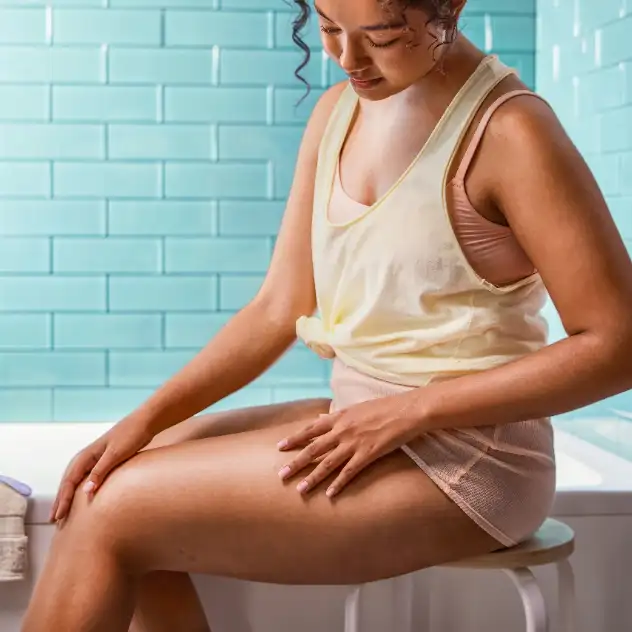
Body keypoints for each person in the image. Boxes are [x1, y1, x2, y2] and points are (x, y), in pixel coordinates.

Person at [21, 0, 632, 630]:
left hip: (466, 457)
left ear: (451, 5)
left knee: (115, 511)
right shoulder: (336, 112)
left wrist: (410, 411)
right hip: (358, 416)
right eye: (329, 28)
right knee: (113, 476)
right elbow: (277, 308)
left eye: (381, 37)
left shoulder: (511, 131)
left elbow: (618, 345)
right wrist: (144, 419)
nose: (347, 59)